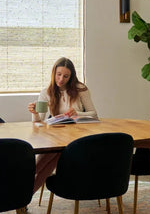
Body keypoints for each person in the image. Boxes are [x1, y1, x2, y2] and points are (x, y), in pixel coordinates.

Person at [28, 57, 98, 194]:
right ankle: (24, 198)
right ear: (54, 73)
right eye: (59, 74)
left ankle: (21, 195)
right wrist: (35, 113)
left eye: (66, 76)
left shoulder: (81, 89)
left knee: (45, 161)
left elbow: (94, 114)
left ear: (71, 77)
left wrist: (77, 113)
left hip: (78, 136)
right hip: (57, 136)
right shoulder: (46, 92)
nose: (61, 79)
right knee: (51, 160)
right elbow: (38, 122)